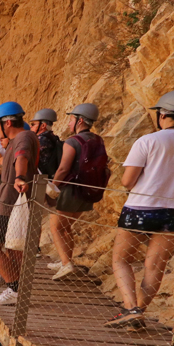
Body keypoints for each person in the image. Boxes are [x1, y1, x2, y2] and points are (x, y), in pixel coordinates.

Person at [108, 89, 174, 326]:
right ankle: (139, 310)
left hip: (140, 208)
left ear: (163, 114)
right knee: (155, 265)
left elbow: (127, 181)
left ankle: (131, 308)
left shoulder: (148, 140)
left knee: (121, 259)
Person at [0, 103, 39, 305]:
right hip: (11, 201)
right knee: (14, 249)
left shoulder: (23, 138)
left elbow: (21, 156)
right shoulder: (21, 138)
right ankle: (17, 288)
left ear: (7, 122)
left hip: (10, 202)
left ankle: (15, 290)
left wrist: (20, 177)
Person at [48, 103, 107, 280]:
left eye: (71, 119)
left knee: (56, 226)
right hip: (89, 191)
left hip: (71, 190)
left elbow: (64, 168)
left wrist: (54, 186)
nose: (68, 122)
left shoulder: (72, 141)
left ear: (80, 120)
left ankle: (66, 264)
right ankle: (65, 259)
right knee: (67, 227)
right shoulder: (98, 139)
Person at [30, 109, 63, 177]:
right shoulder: (52, 137)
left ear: (43, 126)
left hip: (42, 178)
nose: (31, 127)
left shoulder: (41, 140)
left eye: (33, 124)